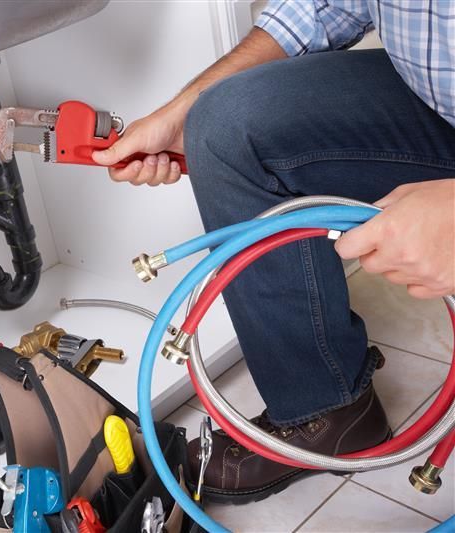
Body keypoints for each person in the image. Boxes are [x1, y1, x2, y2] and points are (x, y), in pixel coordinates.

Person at [93, 1, 455, 503]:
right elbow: (325, 7)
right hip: (438, 108)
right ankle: (326, 411)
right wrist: (185, 112)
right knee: (222, 125)